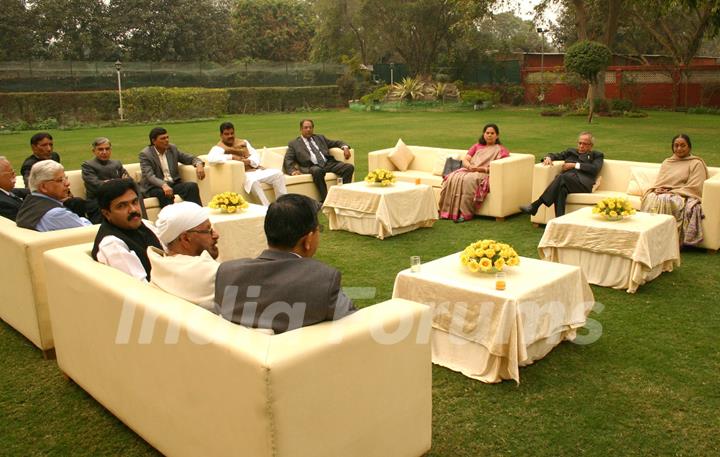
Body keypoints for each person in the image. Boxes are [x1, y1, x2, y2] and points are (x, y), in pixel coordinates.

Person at [215, 194, 356, 334]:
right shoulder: (323, 280)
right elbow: (354, 324)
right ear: (308, 240)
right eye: (319, 229)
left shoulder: (227, 273)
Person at [148, 202, 220, 310]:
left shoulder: (159, 266)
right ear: (185, 238)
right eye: (208, 230)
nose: (216, 235)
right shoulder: (204, 270)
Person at [640, 134, 708, 246]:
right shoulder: (667, 162)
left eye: (683, 145)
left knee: (668, 200)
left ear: (689, 147)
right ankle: (649, 237)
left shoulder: (696, 163)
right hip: (664, 192)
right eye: (676, 146)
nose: (679, 148)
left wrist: (671, 192)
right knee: (651, 198)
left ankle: (668, 241)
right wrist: (658, 189)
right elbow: (660, 182)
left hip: (682, 195)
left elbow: (695, 187)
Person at [92, 178, 162, 281]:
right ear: (107, 214)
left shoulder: (146, 225)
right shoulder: (112, 244)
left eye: (134, 202)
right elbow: (141, 288)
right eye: (121, 206)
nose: (133, 209)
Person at [520, 132, 604, 217]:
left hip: (582, 184)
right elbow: (556, 155)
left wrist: (574, 165)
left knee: (561, 178)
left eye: (585, 144)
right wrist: (548, 157)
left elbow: (594, 169)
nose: (581, 146)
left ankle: (536, 205)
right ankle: (559, 220)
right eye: (580, 143)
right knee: (561, 189)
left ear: (591, 145)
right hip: (566, 181)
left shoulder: (597, 155)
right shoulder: (571, 152)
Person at [438, 123, 510, 223]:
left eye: (492, 133)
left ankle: (465, 213)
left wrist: (480, 169)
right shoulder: (477, 146)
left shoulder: (501, 150)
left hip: (485, 173)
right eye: (487, 133)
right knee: (452, 177)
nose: (489, 135)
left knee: (469, 180)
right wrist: (469, 166)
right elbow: (466, 159)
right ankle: (446, 211)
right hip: (470, 170)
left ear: (497, 135)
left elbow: (498, 167)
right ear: (483, 134)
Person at [207, 122, 287, 206]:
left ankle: (283, 204)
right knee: (253, 182)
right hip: (244, 175)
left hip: (256, 170)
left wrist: (249, 161)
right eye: (226, 134)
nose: (230, 136)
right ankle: (266, 207)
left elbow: (255, 154)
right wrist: (232, 157)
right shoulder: (219, 147)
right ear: (221, 135)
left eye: (232, 133)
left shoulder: (243, 142)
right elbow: (211, 158)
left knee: (278, 174)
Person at [284, 119, 354, 202]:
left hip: (327, 163)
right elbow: (288, 159)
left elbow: (336, 142)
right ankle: (326, 200)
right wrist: (292, 171)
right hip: (311, 166)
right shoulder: (294, 144)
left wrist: (345, 148)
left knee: (349, 167)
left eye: (310, 127)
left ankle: (343, 196)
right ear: (301, 129)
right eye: (305, 128)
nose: (308, 130)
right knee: (317, 171)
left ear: (313, 128)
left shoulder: (320, 138)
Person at [138, 127, 205, 208]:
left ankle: (197, 215)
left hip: (172, 183)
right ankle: (170, 219)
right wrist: (163, 185)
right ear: (153, 141)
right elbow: (149, 176)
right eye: (162, 138)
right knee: (164, 193)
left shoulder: (172, 148)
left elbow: (189, 158)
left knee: (191, 186)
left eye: (167, 137)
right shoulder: (146, 154)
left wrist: (199, 164)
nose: (166, 140)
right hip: (155, 187)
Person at [16, 161, 92, 231]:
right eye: (60, 180)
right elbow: (89, 230)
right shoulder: (56, 214)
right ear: (43, 187)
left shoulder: (28, 204)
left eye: (65, 178)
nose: (67, 183)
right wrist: (82, 219)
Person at [81, 137, 132, 223]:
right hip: (97, 200)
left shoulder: (116, 163)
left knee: (135, 196)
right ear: (94, 151)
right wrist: (119, 182)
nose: (104, 152)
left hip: (118, 197)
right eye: (100, 149)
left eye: (107, 149)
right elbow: (96, 185)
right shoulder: (87, 165)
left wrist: (109, 182)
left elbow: (128, 180)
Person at [0, 156, 29, 221]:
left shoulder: (5, 191)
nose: (15, 176)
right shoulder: (3, 204)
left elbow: (20, 191)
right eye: (12, 173)